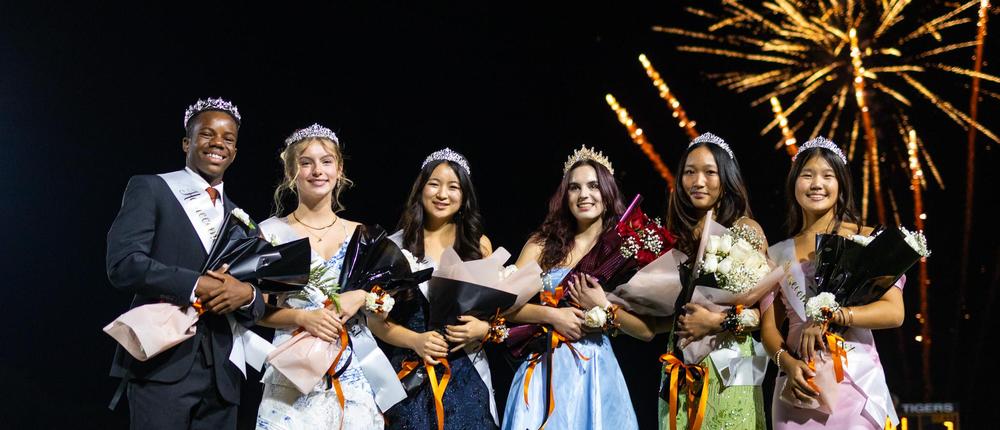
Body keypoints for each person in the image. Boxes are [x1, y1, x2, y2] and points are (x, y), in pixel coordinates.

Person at [106, 97, 264, 429]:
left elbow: (259, 301)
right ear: (186, 142)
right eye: (207, 134)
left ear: (235, 152)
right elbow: (124, 265)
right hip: (162, 364)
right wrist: (194, 284)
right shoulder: (151, 188)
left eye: (228, 138)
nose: (218, 143)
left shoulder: (244, 221)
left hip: (223, 376)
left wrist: (247, 296)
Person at [255, 124, 399, 429]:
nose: (317, 171)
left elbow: (385, 305)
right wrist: (302, 317)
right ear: (291, 172)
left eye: (326, 161)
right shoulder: (271, 233)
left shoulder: (362, 235)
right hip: (295, 371)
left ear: (339, 169)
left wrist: (362, 296)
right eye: (306, 163)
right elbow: (257, 309)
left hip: (353, 372)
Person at [502, 146, 652, 430]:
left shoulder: (623, 252)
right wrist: (552, 316)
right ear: (565, 196)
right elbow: (504, 305)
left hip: (596, 370)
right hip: (545, 368)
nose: (584, 194)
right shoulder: (542, 245)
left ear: (607, 193)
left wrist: (603, 307)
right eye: (575, 187)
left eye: (593, 186)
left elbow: (645, 331)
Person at [761, 137, 903, 429]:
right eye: (807, 175)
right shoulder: (776, 254)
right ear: (794, 183)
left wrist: (833, 315)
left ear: (841, 185)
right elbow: (770, 329)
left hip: (855, 382)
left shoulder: (866, 239)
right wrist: (787, 363)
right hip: (800, 387)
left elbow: (894, 312)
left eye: (828, 176)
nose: (817, 184)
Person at [375, 148, 500, 429]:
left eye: (453, 187)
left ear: (465, 196)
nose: (443, 194)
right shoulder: (393, 247)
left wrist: (483, 329)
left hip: (468, 373)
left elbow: (496, 315)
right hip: (411, 374)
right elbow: (375, 320)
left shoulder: (479, 245)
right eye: (434, 184)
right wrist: (415, 340)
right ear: (420, 189)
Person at [659, 132, 768, 429]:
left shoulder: (746, 229)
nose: (698, 181)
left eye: (710, 172)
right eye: (689, 172)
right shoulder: (674, 237)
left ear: (726, 178)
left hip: (734, 360)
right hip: (680, 364)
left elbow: (766, 315)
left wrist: (716, 321)